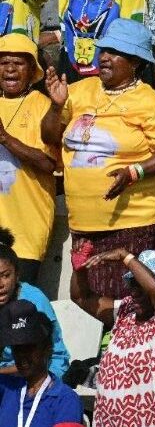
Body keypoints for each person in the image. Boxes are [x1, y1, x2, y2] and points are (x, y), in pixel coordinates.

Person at [46, 20, 155, 301]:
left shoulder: (151, 102)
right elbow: (49, 135)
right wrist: (57, 105)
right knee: (87, 301)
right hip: (84, 224)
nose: (105, 57)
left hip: (132, 225)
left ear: (135, 61)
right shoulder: (80, 90)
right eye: (104, 50)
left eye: (115, 51)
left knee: (130, 306)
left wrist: (134, 172)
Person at [77, 249, 155, 427]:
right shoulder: (126, 311)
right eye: (132, 283)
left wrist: (125, 257)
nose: (135, 291)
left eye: (140, 284)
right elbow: (81, 297)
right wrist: (81, 268)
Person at [0, 34, 57, 283]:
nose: (10, 69)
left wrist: (5, 139)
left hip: (25, 229)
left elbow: (49, 163)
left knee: (19, 309)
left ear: (32, 70)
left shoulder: (42, 105)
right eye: (3, 63)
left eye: (18, 63)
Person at [0, 300, 82, 427]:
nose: (22, 354)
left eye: (29, 347)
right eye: (17, 347)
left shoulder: (65, 399)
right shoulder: (8, 387)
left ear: (47, 348)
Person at [0, 248, 68, 380]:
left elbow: (36, 361)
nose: (0, 284)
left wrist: (1, 372)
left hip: (42, 369)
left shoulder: (32, 301)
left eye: (6, 276)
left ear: (17, 275)